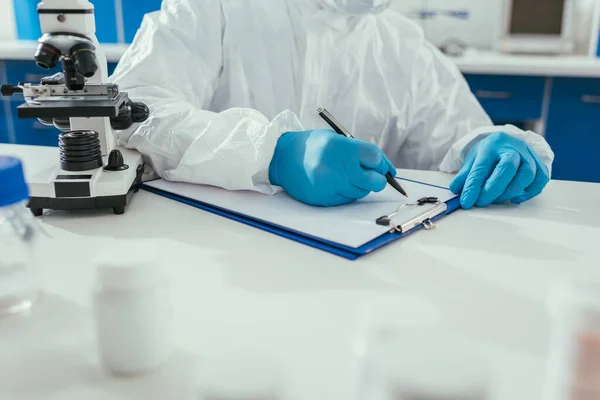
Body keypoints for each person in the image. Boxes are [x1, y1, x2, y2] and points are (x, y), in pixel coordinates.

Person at [111, 0, 553, 209]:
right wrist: (272, 155)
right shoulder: (216, 8)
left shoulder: (400, 41)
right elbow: (134, 107)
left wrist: (487, 145)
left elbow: (456, 131)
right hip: (218, 255)